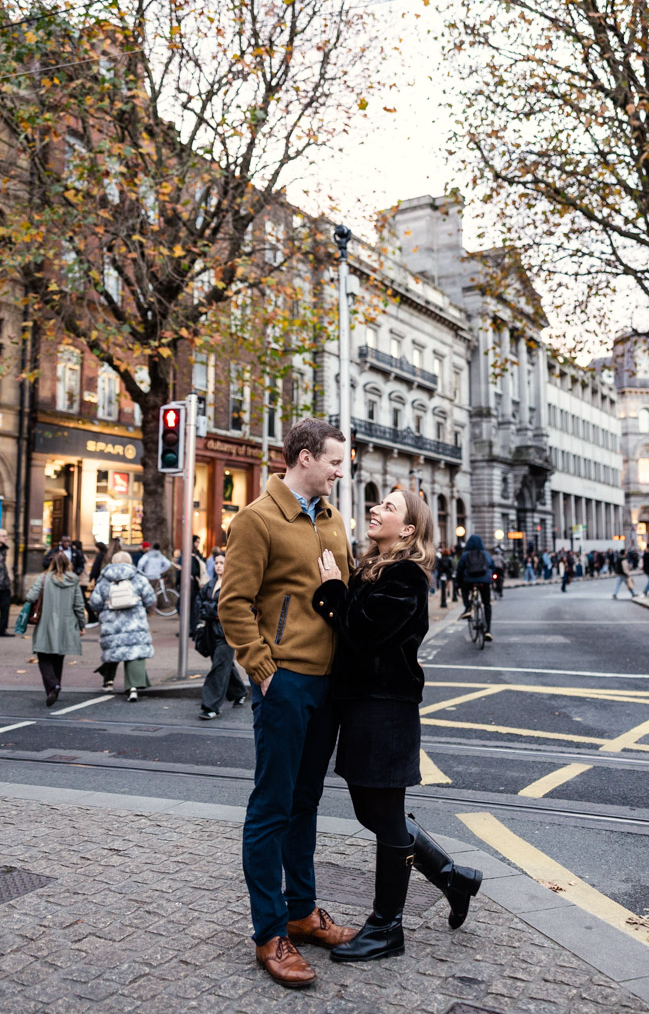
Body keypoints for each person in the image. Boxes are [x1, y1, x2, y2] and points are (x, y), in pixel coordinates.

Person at [313, 490, 482, 963]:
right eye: (379, 504)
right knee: (372, 813)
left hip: (386, 709)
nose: (376, 510)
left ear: (408, 530)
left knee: (384, 817)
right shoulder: (373, 568)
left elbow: (364, 635)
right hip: (364, 706)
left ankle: (387, 926)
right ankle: (451, 877)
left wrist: (332, 590)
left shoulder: (406, 575)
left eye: (389, 508)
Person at [218, 417, 356, 989]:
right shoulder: (257, 518)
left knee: (306, 801)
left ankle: (301, 912)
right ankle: (269, 932)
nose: (339, 470)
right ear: (304, 458)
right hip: (285, 682)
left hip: (326, 684)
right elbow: (234, 602)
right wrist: (262, 667)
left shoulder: (333, 519)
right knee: (272, 806)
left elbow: (339, 596)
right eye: (333, 461)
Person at [89, 551, 156, 699]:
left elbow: (94, 603)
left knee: (114, 650)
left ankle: (108, 681)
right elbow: (150, 599)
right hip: (135, 622)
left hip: (111, 623)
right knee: (134, 651)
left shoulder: (104, 580)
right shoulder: (138, 577)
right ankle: (133, 687)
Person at [26, 552, 85, 705]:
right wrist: (82, 624)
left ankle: (53, 685)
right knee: (58, 658)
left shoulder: (44, 578)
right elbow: (79, 605)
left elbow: (31, 597)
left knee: (43, 656)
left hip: (46, 621)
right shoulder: (73, 580)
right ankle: (54, 688)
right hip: (66, 623)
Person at [198, 552, 247, 719]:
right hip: (211, 631)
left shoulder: (234, 585)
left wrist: (211, 610)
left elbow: (228, 608)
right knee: (224, 664)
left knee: (219, 666)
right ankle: (239, 692)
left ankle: (211, 706)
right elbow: (199, 604)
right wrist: (213, 611)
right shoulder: (210, 584)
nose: (218, 565)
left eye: (222, 562)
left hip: (228, 632)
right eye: (217, 562)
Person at [456, 534, 495, 641]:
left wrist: (458, 584)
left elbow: (459, 570)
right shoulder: (486, 554)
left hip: (469, 580)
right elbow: (492, 567)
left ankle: (468, 608)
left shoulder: (465, 554)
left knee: (464, 590)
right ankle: (488, 631)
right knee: (487, 604)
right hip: (485, 581)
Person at [0, 527, 12, 637]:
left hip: (4, 585)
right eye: (3, 536)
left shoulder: (4, 550)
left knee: (5, 607)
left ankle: (2, 629)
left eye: (6, 535)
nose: (6, 538)